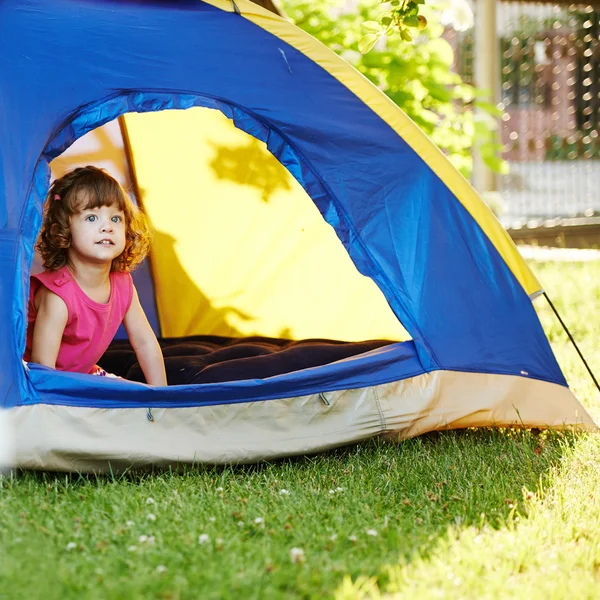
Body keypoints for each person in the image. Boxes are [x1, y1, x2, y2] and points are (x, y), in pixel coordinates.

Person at [23, 166, 167, 386]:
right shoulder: (58, 296)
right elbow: (43, 371)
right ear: (63, 230)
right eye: (91, 218)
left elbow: (145, 343)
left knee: (136, 394)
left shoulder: (122, 283)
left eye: (116, 219)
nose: (107, 227)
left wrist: (161, 396)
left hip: (83, 374)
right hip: (36, 381)